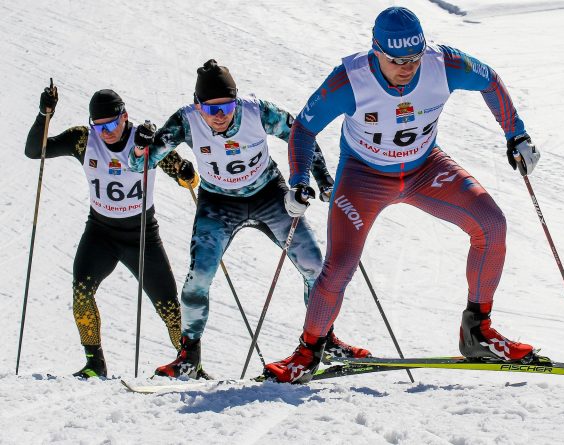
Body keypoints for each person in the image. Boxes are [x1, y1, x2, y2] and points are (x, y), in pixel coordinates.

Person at [263, 7, 544, 383]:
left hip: (426, 169)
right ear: (375, 50)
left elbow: (489, 79)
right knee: (340, 266)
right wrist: (299, 180)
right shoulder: (350, 80)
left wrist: (516, 133)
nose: (407, 68)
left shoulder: (443, 64)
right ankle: (309, 351)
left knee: (492, 225)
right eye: (396, 60)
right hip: (364, 178)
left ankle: (477, 331)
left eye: (414, 58)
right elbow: (303, 128)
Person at [130, 59, 370, 379]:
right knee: (199, 277)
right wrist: (140, 147)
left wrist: (324, 179)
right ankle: (188, 357)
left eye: (227, 106)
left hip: (268, 194)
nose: (220, 115)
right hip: (218, 203)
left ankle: (324, 341)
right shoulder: (185, 121)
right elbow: (140, 166)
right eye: (211, 108)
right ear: (197, 104)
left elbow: (300, 134)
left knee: (315, 266)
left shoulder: (257, 111)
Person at [24, 86, 197, 378]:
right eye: (99, 126)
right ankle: (95, 364)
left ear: (124, 117)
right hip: (101, 233)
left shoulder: (146, 140)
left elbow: (188, 180)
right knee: (82, 292)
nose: (105, 132)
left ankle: (191, 364)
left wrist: (185, 173)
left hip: (141, 236)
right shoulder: (83, 139)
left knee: (169, 307)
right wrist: (45, 114)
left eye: (111, 124)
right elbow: (34, 151)